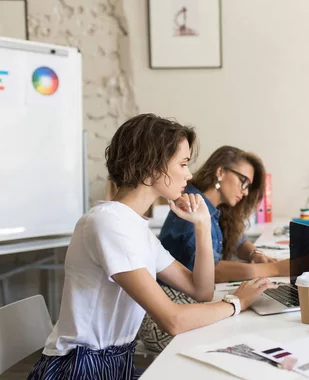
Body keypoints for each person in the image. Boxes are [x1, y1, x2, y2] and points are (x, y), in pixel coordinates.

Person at [28, 114, 275, 380]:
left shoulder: (135, 227)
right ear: (152, 165)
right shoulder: (108, 223)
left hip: (115, 365)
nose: (189, 173)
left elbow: (201, 290)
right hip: (78, 370)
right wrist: (237, 302)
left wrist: (202, 224)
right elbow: (172, 320)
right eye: (182, 163)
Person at [139, 145, 288, 352]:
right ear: (220, 172)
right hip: (172, 305)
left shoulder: (214, 208)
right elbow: (210, 271)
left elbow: (236, 241)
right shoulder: (192, 205)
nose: (245, 192)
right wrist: (275, 269)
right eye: (243, 182)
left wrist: (253, 252)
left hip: (189, 300)